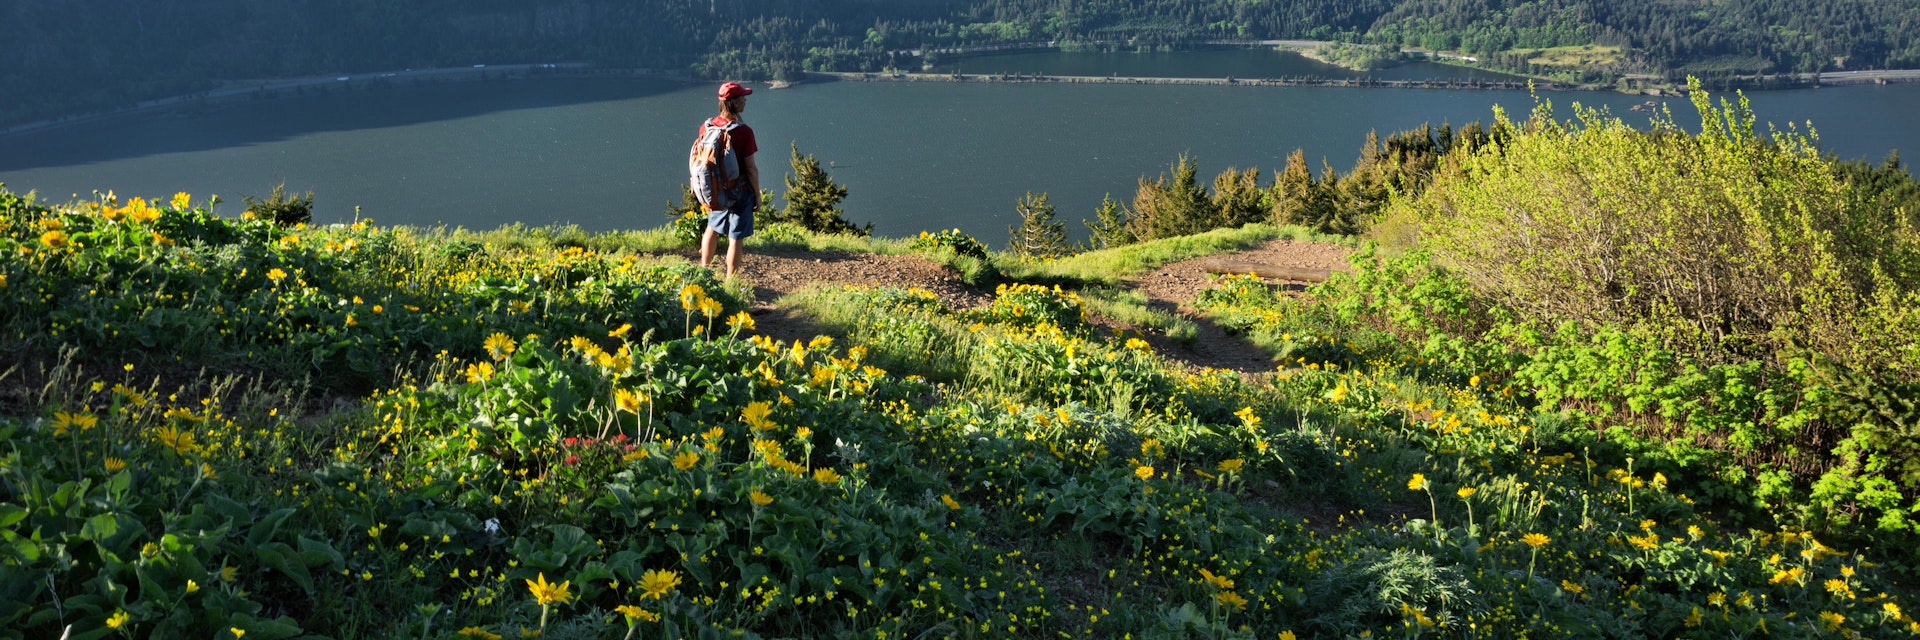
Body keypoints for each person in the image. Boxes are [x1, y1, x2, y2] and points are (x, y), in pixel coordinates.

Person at [699, 81, 759, 279]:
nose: (745, 101)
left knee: (712, 229)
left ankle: (704, 271)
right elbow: (750, 169)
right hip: (739, 190)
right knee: (735, 238)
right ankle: (730, 281)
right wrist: (757, 195)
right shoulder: (744, 132)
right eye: (742, 98)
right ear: (734, 103)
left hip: (716, 189)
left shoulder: (707, 127)